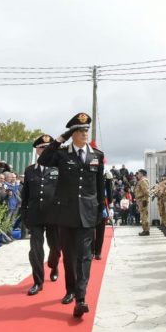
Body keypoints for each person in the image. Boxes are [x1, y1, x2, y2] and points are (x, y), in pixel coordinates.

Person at [38, 112, 105, 319]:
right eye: (80, 130)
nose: (85, 134)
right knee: (69, 256)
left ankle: (81, 299)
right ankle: (70, 290)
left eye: (86, 130)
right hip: (65, 213)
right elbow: (45, 158)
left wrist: (101, 206)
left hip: (87, 213)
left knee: (85, 256)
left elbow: (99, 184)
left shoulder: (97, 155)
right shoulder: (62, 154)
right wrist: (60, 139)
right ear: (73, 133)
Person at [23, 134, 61, 295]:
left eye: (47, 148)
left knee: (55, 248)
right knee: (36, 248)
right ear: (37, 151)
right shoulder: (30, 170)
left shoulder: (58, 168)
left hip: (54, 215)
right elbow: (25, 195)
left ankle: (54, 265)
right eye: (41, 148)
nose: (44, 150)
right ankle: (38, 281)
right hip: (35, 215)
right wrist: (24, 214)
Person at [134, 170, 150, 236]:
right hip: (140, 201)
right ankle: (145, 230)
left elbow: (146, 192)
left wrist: (144, 201)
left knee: (144, 216)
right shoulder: (141, 181)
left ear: (142, 174)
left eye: (138, 174)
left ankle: (146, 230)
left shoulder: (143, 181)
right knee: (143, 216)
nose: (137, 175)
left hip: (142, 200)